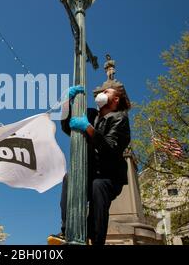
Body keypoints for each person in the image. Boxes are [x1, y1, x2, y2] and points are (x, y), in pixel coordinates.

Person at [52, 84, 131, 245]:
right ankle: (67, 231)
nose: (102, 93)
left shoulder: (119, 118)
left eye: (106, 91)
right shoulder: (90, 114)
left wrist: (88, 128)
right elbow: (68, 127)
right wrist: (66, 103)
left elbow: (110, 147)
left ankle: (94, 238)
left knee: (98, 186)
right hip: (89, 171)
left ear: (116, 99)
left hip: (109, 175)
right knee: (69, 178)